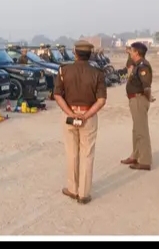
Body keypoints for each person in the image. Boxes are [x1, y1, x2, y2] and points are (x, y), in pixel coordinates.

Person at [52, 40, 108, 204]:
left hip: (69, 115)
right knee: (87, 153)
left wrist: (70, 113)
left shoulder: (64, 70)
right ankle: (83, 193)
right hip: (88, 116)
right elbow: (101, 100)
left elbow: (57, 95)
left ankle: (73, 188)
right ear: (90, 55)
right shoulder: (97, 73)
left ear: (75, 53)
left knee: (71, 152)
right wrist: (86, 115)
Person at [122, 42, 154, 171]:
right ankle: (135, 155)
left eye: (132, 50)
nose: (130, 52)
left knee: (142, 131)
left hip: (139, 99)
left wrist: (148, 97)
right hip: (134, 99)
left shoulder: (143, 66)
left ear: (137, 52)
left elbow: (146, 86)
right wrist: (129, 55)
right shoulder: (137, 64)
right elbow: (129, 65)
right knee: (136, 130)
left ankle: (145, 160)